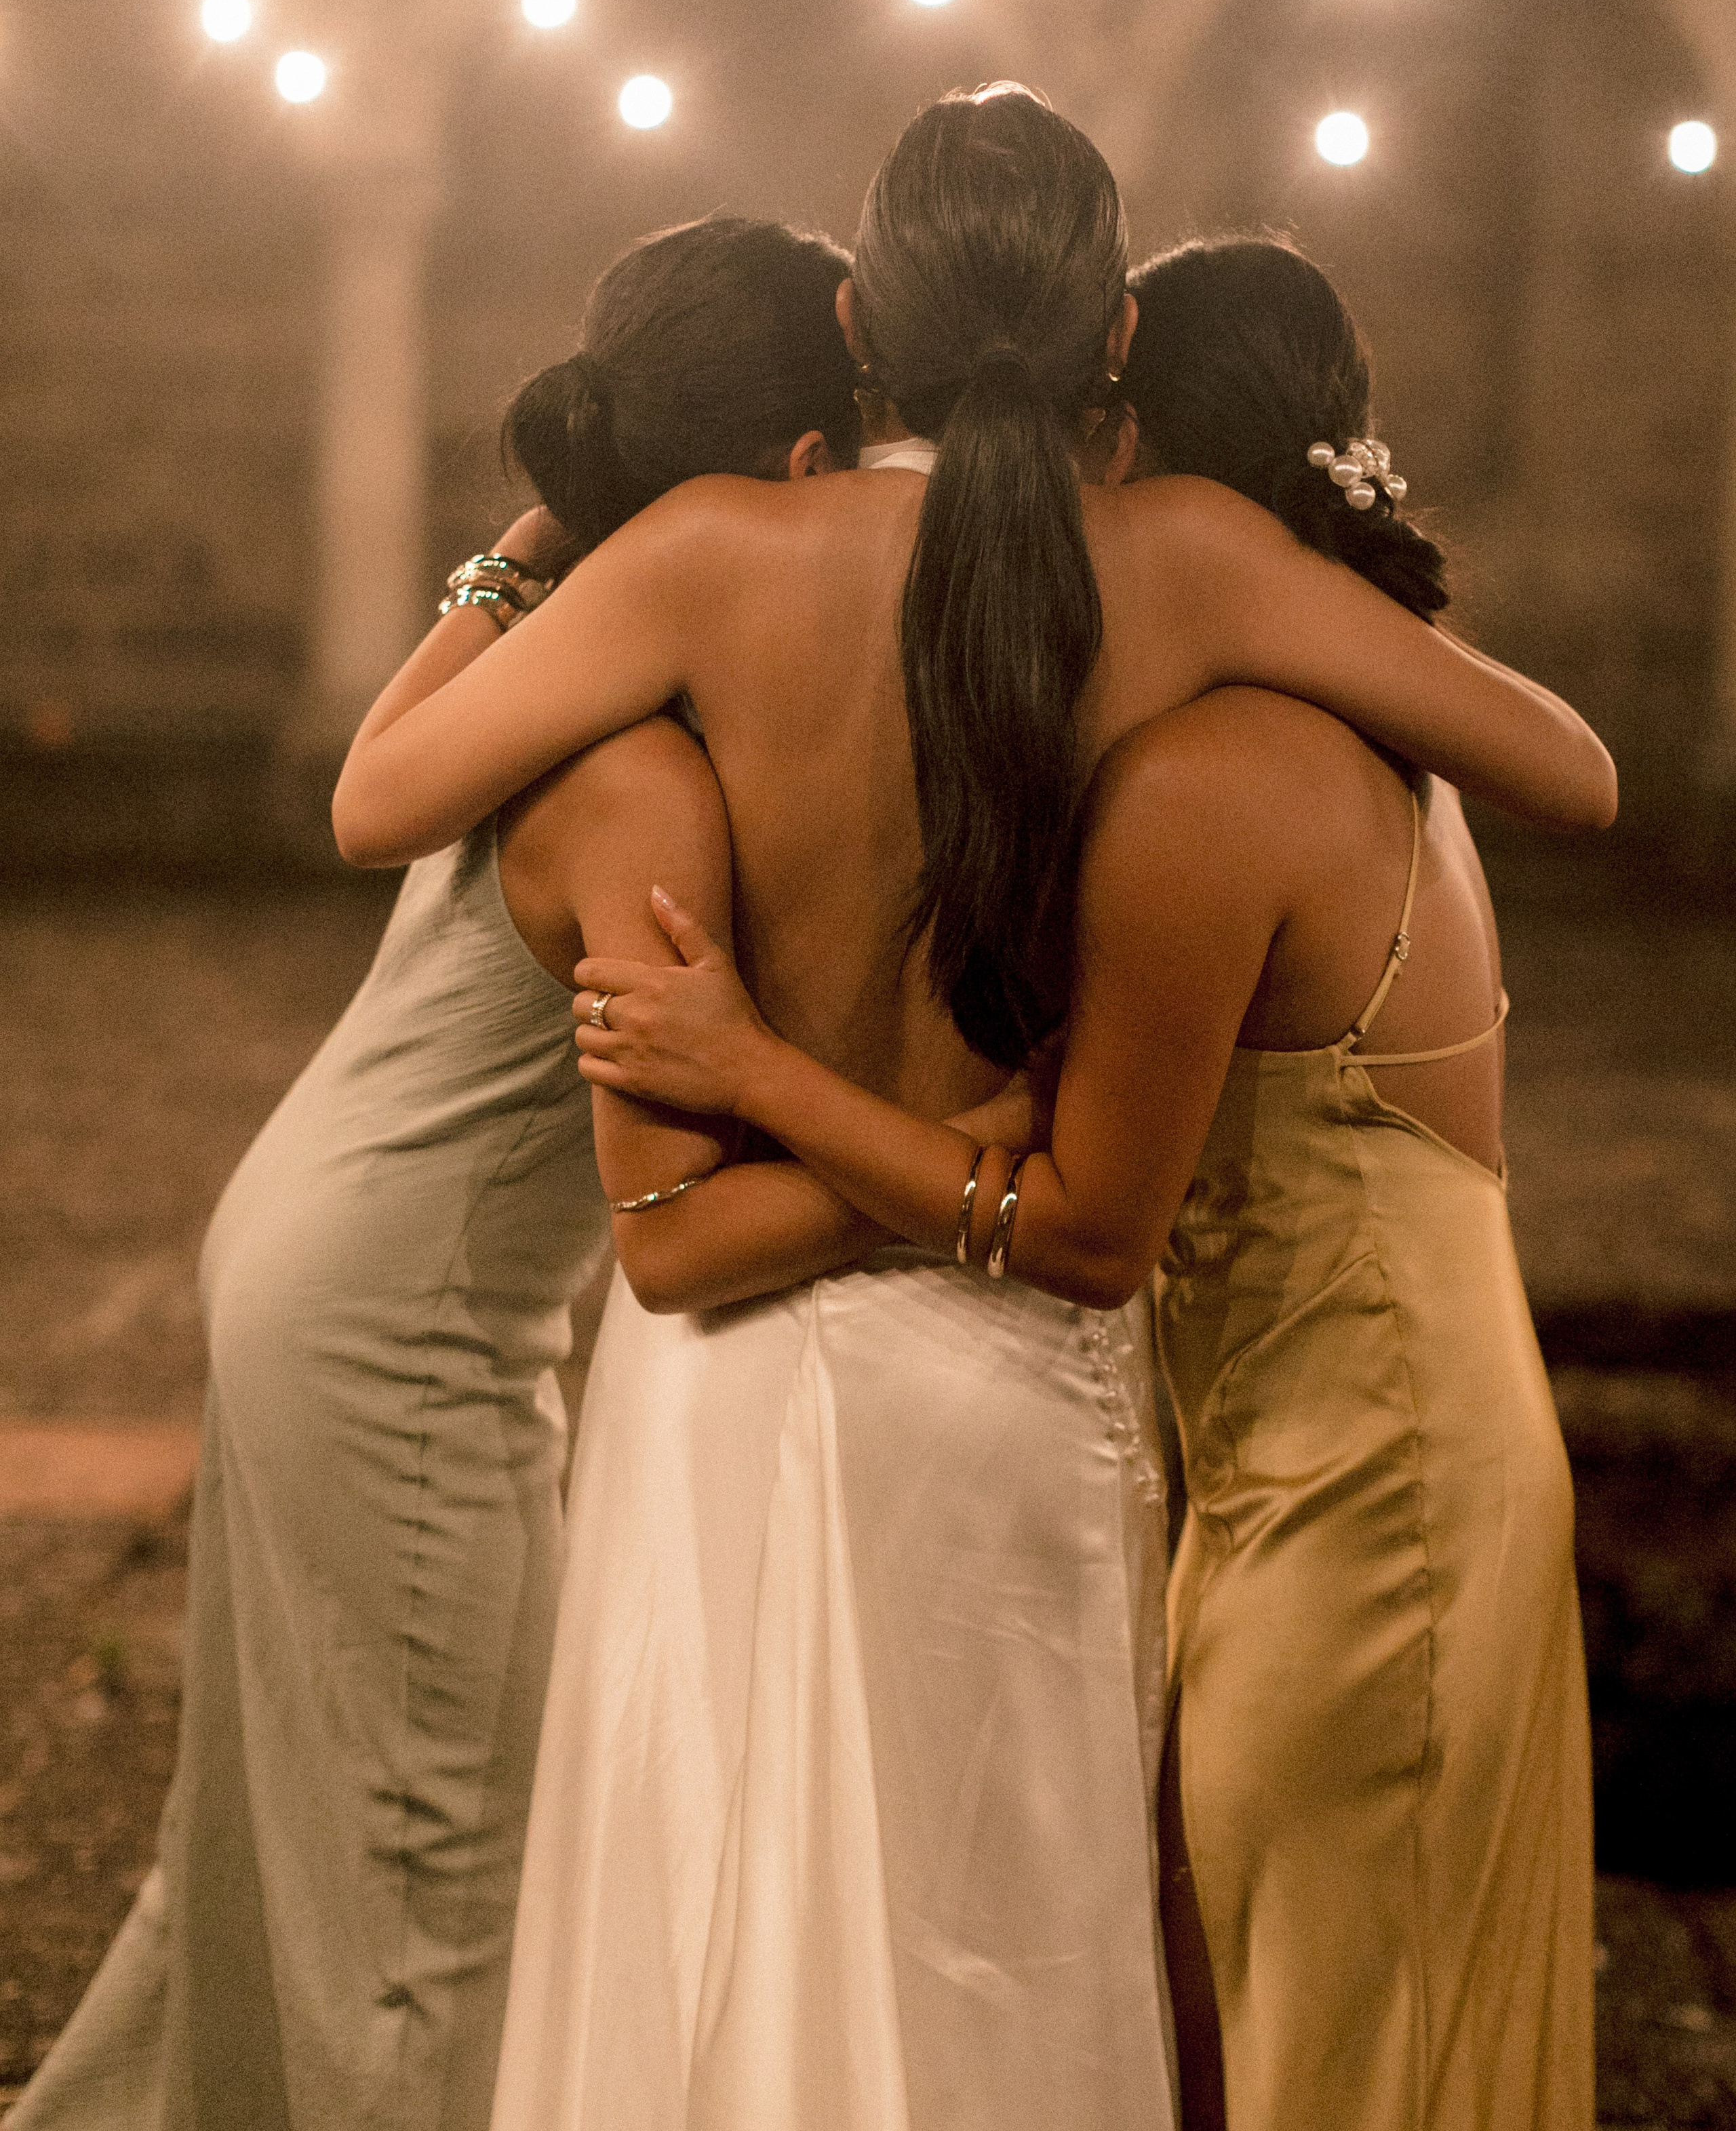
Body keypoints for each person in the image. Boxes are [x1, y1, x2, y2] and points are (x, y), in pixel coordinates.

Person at [566, 235, 1595, 2131]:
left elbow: (1093, 1230)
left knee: (1347, 2058)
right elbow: (1578, 775)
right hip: (1381, 1456)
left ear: (1139, 449)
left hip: (1365, 1508)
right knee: (1330, 2028)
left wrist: (754, 1067)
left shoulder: (1215, 784)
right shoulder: (1367, 740)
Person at [9, 216, 882, 2131]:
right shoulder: (644, 764)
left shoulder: (554, 667)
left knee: (271, 1820)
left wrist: (567, 536)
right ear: (796, 476)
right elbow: (673, 1187)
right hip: (397, 1325)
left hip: (322, 1256)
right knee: (440, 1863)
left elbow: (367, 778)